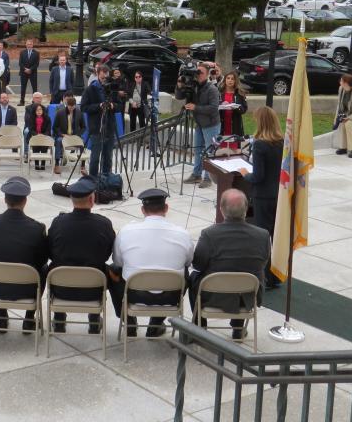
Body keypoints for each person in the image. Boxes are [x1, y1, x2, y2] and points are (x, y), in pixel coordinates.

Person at [110, 188, 194, 337]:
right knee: (185, 271)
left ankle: (128, 320)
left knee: (113, 271)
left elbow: (118, 261)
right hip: (171, 296)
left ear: (142, 210)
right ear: (166, 208)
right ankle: (155, 323)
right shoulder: (183, 234)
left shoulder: (126, 231)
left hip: (135, 294)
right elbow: (189, 261)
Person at [188, 189, 270, 340]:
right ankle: (238, 328)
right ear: (246, 209)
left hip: (213, 295)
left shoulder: (209, 234)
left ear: (221, 209)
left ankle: (200, 326)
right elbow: (263, 262)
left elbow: (198, 264)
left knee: (193, 277)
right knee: (250, 273)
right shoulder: (263, 235)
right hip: (246, 296)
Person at [47, 176, 116, 334]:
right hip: (93, 288)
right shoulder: (103, 224)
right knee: (105, 268)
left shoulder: (58, 223)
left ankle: (59, 320)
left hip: (61, 287)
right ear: (92, 200)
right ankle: (93, 320)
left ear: (71, 200)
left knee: (54, 266)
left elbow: (51, 252)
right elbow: (109, 253)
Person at [0, 177, 49, 332]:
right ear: (25, 201)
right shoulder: (37, 228)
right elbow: (41, 260)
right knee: (44, 268)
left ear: (5, 199)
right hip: (26, 288)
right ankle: (28, 318)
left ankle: (3, 317)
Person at [239, 106, 284, 288]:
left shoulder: (260, 145)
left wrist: (244, 174)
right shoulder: (282, 141)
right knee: (276, 235)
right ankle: (277, 275)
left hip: (263, 196)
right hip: (279, 194)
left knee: (264, 237)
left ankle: (266, 277)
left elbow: (258, 176)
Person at [176, 63, 220, 187]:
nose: (197, 74)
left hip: (211, 124)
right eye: (197, 71)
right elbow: (179, 96)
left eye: (200, 72)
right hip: (199, 123)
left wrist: (196, 107)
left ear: (206, 74)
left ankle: (208, 178)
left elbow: (213, 108)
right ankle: (196, 175)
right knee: (198, 149)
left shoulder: (212, 89)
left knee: (209, 151)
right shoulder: (193, 86)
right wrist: (179, 86)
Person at [81, 64, 116, 179]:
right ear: (97, 74)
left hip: (109, 127)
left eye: (106, 77)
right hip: (96, 128)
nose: (104, 80)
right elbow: (84, 107)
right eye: (102, 77)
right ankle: (93, 180)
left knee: (108, 157)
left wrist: (112, 105)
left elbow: (119, 105)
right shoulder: (91, 89)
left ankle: (106, 179)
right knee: (95, 157)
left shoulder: (111, 88)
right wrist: (99, 106)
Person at [53, 93, 85, 175]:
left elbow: (83, 127)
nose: (71, 108)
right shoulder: (60, 113)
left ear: (75, 105)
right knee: (59, 141)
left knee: (83, 142)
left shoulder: (79, 112)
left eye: (73, 106)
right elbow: (55, 127)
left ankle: (83, 165)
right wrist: (62, 134)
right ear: (67, 105)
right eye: (70, 106)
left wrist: (77, 134)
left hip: (74, 136)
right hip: (64, 136)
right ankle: (57, 164)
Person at [217, 71, 249, 151]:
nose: (230, 80)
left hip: (235, 126)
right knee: (222, 151)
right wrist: (220, 105)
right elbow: (214, 107)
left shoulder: (240, 94)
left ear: (235, 81)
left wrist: (235, 107)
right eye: (228, 78)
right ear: (225, 80)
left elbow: (244, 110)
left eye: (232, 79)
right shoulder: (219, 93)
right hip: (222, 125)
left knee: (234, 151)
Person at [28, 103, 52, 170]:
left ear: (43, 110)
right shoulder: (31, 118)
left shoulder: (47, 118)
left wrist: (43, 135)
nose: (39, 111)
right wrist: (37, 135)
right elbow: (31, 129)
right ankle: (36, 164)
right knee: (36, 147)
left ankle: (43, 164)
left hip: (44, 137)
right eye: (37, 110)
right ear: (34, 111)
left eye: (40, 110)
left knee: (44, 146)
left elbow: (48, 129)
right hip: (35, 136)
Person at [18, 39, 40, 106]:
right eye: (28, 44)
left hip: (33, 73)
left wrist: (30, 69)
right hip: (24, 72)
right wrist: (25, 69)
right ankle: (22, 101)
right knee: (23, 88)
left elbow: (37, 64)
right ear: (26, 45)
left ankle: (34, 101)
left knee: (34, 88)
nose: (29, 45)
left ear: (32, 45)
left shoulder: (36, 53)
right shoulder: (22, 52)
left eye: (30, 44)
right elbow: (20, 63)